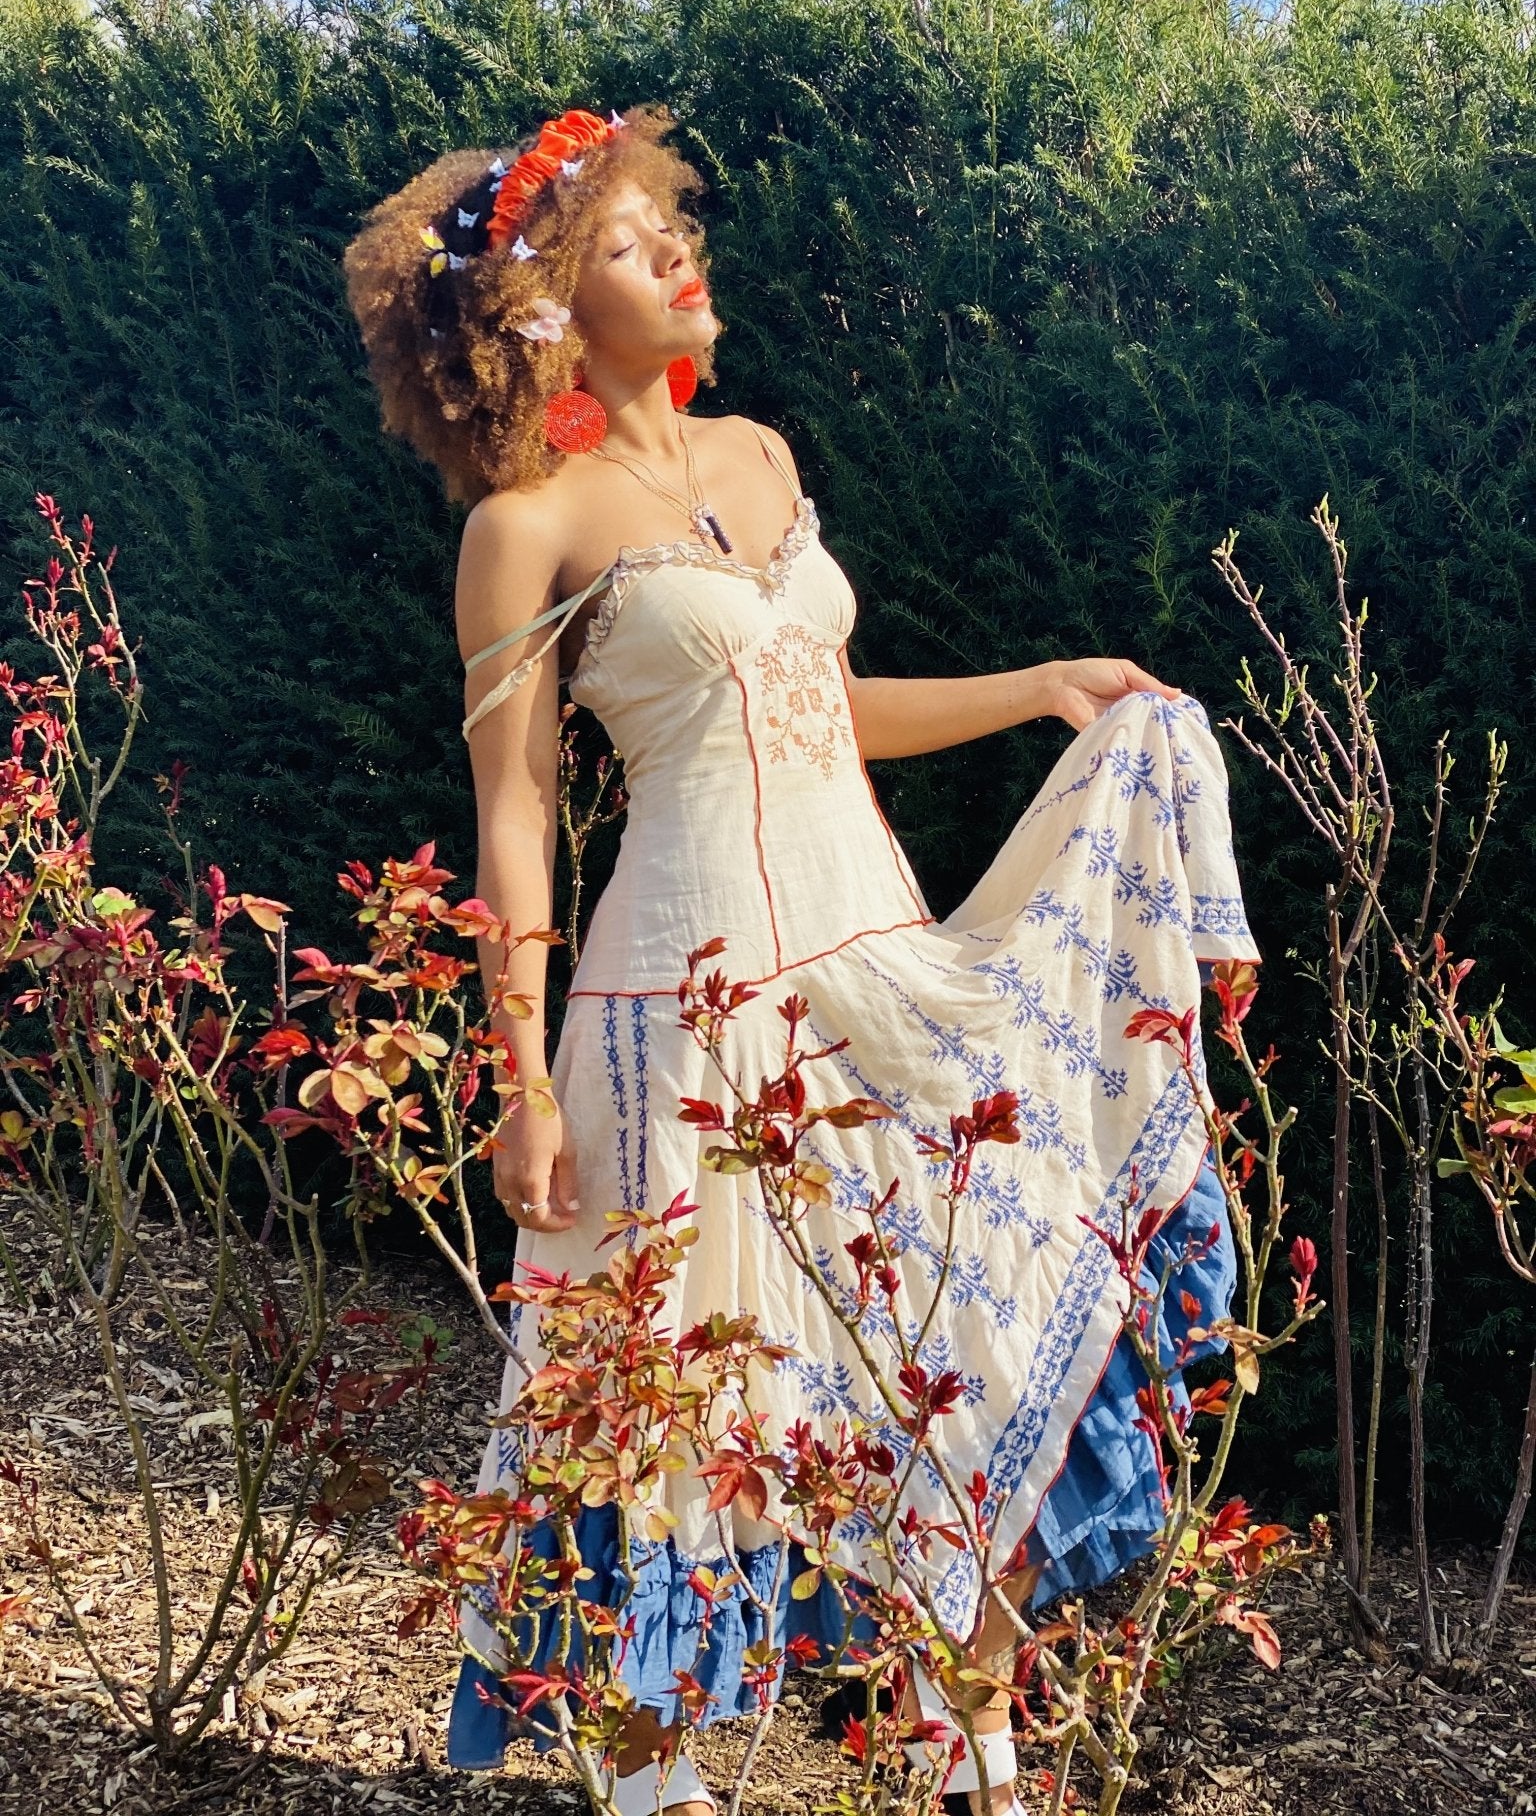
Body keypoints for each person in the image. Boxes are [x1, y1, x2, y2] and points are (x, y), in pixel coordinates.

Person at [344, 104, 1260, 1816]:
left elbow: (825, 710)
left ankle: (975, 1757)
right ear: (544, 309)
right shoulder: (525, 525)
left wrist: (1043, 688)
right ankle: (650, 1782)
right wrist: (521, 1077)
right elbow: (517, 812)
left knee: (959, 1359)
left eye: (670, 228)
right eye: (631, 247)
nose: (680, 256)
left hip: (877, 979)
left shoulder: (760, 456)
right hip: (681, 1018)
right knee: (672, 1419)